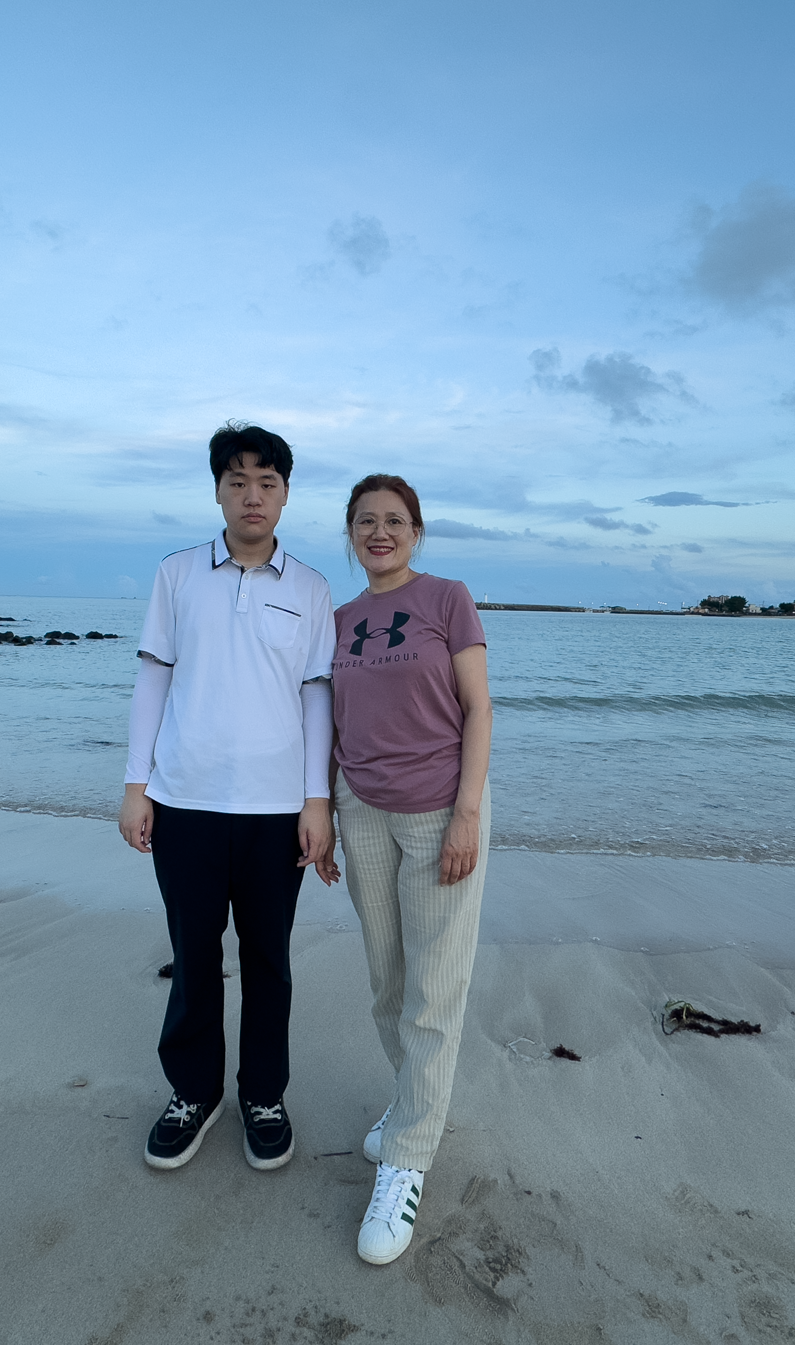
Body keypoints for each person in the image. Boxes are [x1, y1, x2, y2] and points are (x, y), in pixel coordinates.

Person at [119, 422, 336, 1173]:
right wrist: (136, 786)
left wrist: (317, 801)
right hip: (185, 801)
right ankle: (194, 1092)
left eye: (267, 483)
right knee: (193, 954)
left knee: (269, 959)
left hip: (277, 810)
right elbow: (153, 677)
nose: (252, 496)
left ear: (285, 494)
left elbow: (316, 696)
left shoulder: (310, 588)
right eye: (237, 481)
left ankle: (263, 1095)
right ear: (217, 490)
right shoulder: (178, 574)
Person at [326, 474, 492, 1265]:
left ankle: (406, 1161)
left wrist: (467, 815)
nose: (380, 532)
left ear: (416, 532)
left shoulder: (446, 599)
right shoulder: (339, 620)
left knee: (434, 990)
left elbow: (479, 709)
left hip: (437, 815)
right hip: (360, 810)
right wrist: (320, 811)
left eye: (395, 520)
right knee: (388, 982)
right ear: (351, 534)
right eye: (366, 521)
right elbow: (330, 721)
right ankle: (413, 1106)